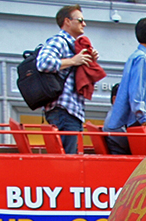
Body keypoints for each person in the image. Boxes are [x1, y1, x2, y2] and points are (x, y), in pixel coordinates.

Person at [37, 5, 100, 154]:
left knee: (70, 158)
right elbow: (43, 63)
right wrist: (73, 61)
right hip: (64, 110)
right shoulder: (58, 41)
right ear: (67, 21)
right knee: (69, 160)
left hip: (69, 112)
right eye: (80, 20)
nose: (84, 24)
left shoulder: (74, 45)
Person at [104, 17, 146, 155]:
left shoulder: (135, 57)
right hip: (133, 123)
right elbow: (137, 92)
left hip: (129, 123)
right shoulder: (142, 59)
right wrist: (143, 120)